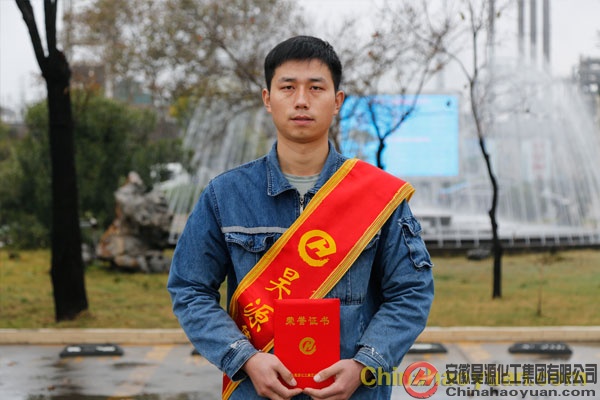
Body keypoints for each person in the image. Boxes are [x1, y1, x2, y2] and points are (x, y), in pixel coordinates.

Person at [167, 35, 434, 400]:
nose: (302, 100)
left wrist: (365, 364)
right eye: (288, 87)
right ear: (267, 99)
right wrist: (245, 358)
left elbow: (411, 292)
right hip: (257, 391)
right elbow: (190, 288)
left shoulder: (378, 196)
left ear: (337, 101)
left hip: (355, 392)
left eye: (316, 88)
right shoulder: (225, 195)